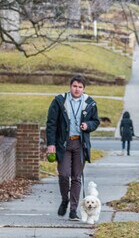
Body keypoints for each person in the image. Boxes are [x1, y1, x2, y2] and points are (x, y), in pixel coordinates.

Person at [46, 75, 100, 221]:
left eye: (80, 87)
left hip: (80, 144)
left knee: (76, 177)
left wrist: (88, 125)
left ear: (84, 89)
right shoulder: (59, 101)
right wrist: (51, 144)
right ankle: (65, 199)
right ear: (70, 87)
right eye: (75, 86)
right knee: (64, 174)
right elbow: (51, 124)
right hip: (63, 144)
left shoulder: (90, 103)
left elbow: (96, 121)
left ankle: (74, 210)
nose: (77, 89)